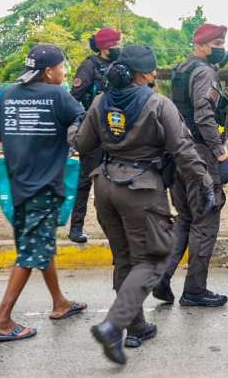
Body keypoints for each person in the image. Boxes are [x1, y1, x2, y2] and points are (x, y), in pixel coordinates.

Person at [72, 45, 216, 365]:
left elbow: (82, 144)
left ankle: (136, 327)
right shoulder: (157, 104)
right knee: (153, 259)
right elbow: (183, 151)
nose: (154, 75)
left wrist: (74, 125)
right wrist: (205, 185)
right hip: (142, 190)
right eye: (151, 71)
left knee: (125, 259)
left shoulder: (101, 101)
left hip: (106, 187)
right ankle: (114, 325)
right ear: (141, 74)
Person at [0, 44, 87, 343]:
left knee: (38, 245)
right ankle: (1, 320)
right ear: (48, 71)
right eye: (62, 67)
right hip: (44, 186)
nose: (65, 72)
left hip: (18, 187)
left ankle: (60, 302)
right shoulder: (58, 95)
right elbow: (84, 124)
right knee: (31, 253)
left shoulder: (8, 95)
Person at [153, 23, 228, 307]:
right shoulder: (203, 72)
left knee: (185, 220)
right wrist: (220, 155)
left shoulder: (182, 69)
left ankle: (162, 278)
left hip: (178, 153)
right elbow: (203, 116)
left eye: (223, 43)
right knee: (205, 222)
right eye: (217, 44)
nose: (221, 48)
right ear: (201, 45)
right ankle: (195, 290)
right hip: (200, 155)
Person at [68, 27, 122, 243]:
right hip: (94, 131)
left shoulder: (121, 65)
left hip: (117, 129)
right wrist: (86, 118)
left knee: (117, 179)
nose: (120, 47)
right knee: (85, 179)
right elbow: (74, 98)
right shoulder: (89, 65)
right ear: (106, 47)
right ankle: (76, 227)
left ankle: (115, 227)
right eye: (117, 43)